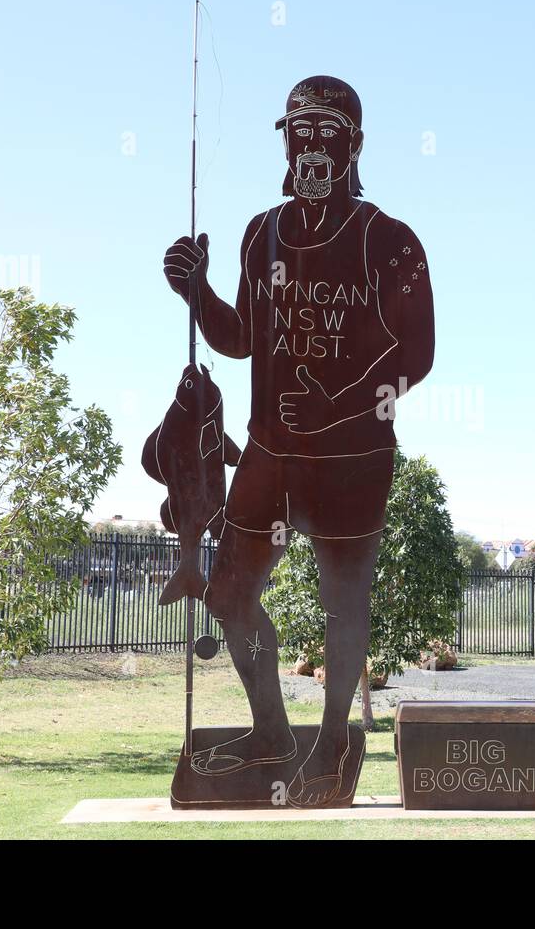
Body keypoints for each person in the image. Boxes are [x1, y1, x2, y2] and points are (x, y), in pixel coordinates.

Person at [162, 76, 435, 806]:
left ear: (354, 143)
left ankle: (335, 740)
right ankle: (273, 732)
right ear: (285, 140)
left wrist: (339, 405)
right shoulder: (262, 232)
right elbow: (243, 337)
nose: (312, 145)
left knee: (344, 605)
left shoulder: (390, 241)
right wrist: (199, 295)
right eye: (300, 131)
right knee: (226, 593)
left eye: (328, 131)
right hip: (270, 452)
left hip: (352, 458)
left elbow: (416, 353)